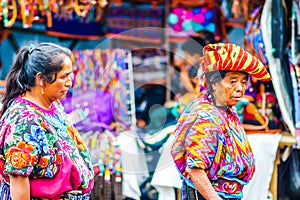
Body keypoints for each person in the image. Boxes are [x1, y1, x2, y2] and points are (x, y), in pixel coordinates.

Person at [171, 43, 272, 200]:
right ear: (214, 83)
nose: (240, 88)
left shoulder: (226, 111)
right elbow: (195, 169)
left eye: (243, 82)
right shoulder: (207, 117)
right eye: (232, 81)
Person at [0, 43, 94, 200]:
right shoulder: (23, 121)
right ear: (41, 79)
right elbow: (18, 181)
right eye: (64, 76)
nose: (70, 82)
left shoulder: (53, 105)